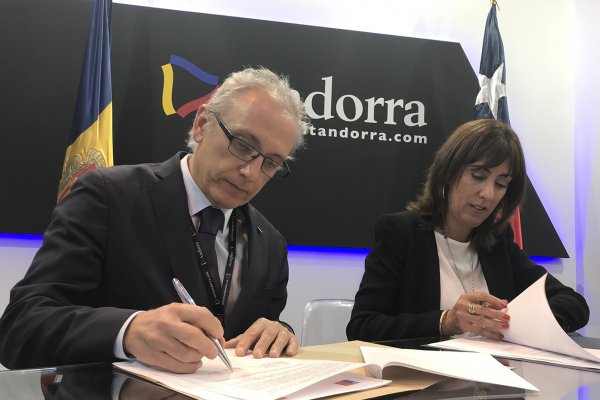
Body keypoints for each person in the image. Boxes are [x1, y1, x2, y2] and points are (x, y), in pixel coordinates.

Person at [0, 67, 310, 373]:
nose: (250, 172)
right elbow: (19, 328)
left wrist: (278, 332)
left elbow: (255, 332)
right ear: (202, 124)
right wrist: (128, 331)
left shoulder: (270, 244)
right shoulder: (108, 196)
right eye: (242, 144)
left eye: (271, 162)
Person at [346, 119, 589, 342]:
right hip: (422, 374)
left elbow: (574, 304)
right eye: (478, 176)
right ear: (448, 173)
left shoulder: (497, 242)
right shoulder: (400, 233)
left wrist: (518, 322)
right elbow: (363, 327)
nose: (488, 194)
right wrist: (446, 321)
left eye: (501, 184)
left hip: (495, 374)